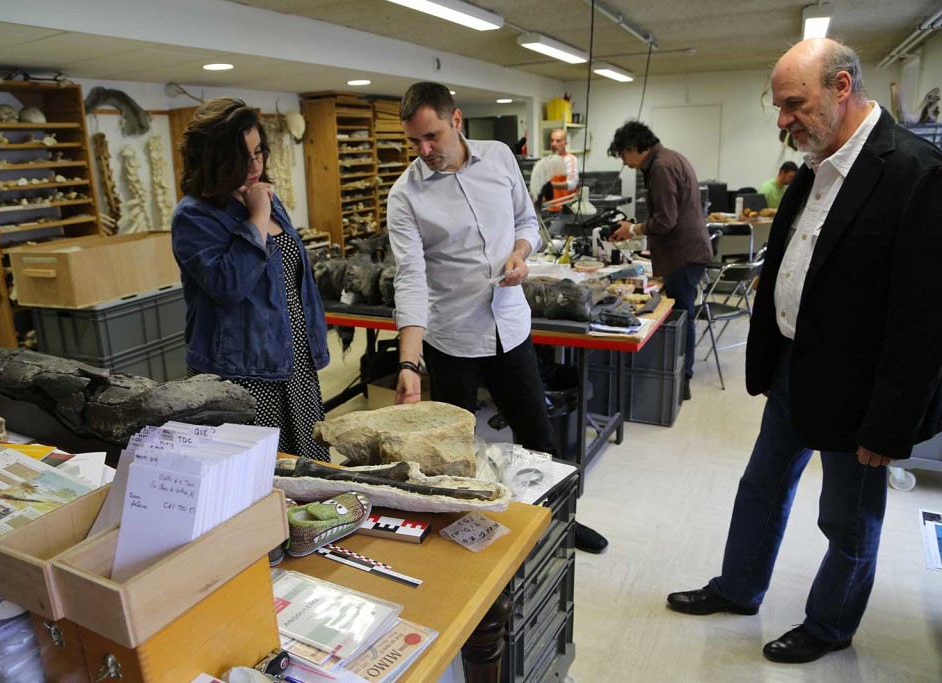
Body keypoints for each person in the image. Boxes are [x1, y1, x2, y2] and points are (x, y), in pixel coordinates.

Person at [666, 38, 942, 664]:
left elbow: (923, 322)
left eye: (795, 103)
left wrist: (891, 422)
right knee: (760, 487)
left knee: (846, 520)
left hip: (862, 391)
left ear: (842, 86)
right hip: (796, 372)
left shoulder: (915, 174)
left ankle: (830, 625)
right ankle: (738, 588)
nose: (784, 119)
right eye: (780, 105)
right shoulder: (817, 165)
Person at [387, 81, 607, 553]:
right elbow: (411, 279)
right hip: (451, 342)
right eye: (415, 142)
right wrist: (408, 365)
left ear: (457, 120)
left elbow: (527, 221)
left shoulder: (501, 157)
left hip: (509, 327)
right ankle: (469, 537)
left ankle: (556, 524)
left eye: (433, 137)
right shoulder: (405, 195)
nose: (425, 151)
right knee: (454, 449)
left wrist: (521, 255)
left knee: (537, 436)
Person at [171, 98, 331, 461]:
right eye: (241, 158)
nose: (255, 165)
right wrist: (256, 218)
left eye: (259, 152)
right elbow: (230, 286)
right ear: (215, 160)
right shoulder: (194, 216)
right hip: (243, 373)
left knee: (307, 468)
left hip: (292, 362)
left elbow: (292, 279)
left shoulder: (265, 197)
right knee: (257, 474)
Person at [607, 122, 713, 401]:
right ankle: (682, 376)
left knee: (682, 316)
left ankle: (682, 380)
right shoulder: (670, 158)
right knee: (683, 314)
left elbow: (666, 220)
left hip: (683, 254)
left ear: (634, 148)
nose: (624, 162)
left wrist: (634, 229)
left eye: (623, 155)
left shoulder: (661, 168)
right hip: (687, 251)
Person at [546, 128, 579, 210]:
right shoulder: (549, 160)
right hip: (550, 208)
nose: (554, 144)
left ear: (565, 143)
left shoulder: (570, 159)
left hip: (566, 209)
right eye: (552, 140)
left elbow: (572, 184)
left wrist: (550, 185)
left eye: (558, 141)